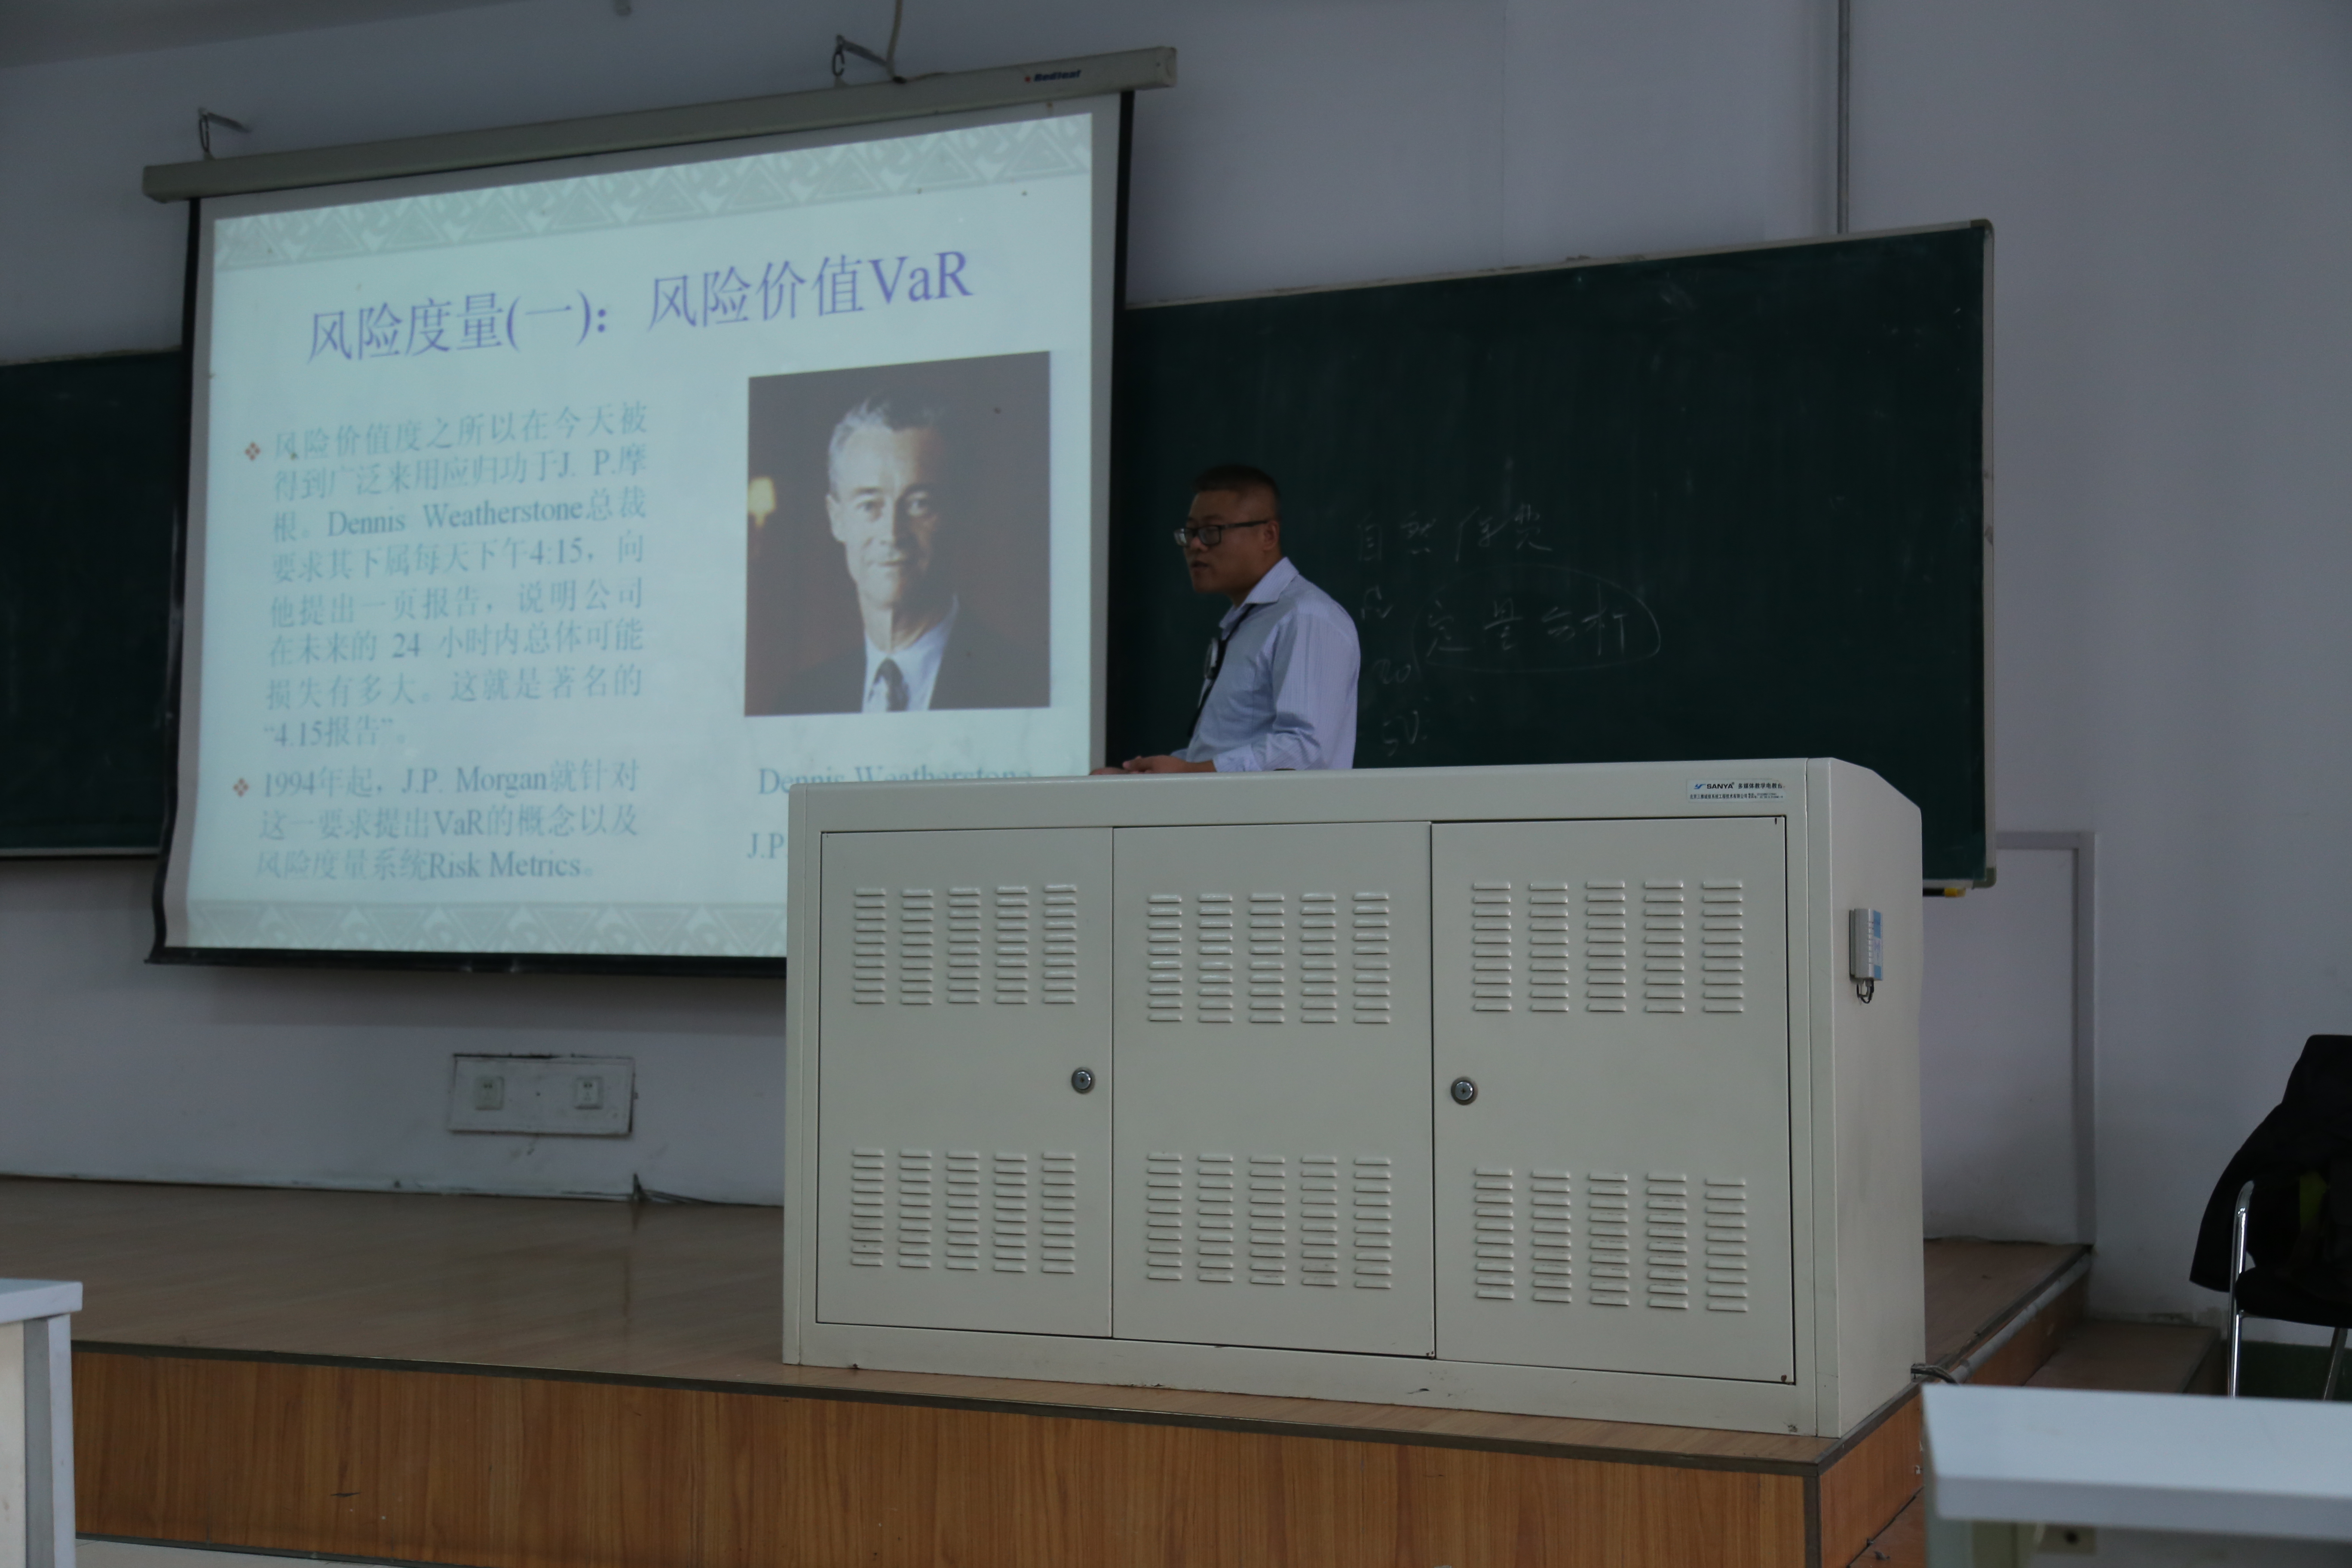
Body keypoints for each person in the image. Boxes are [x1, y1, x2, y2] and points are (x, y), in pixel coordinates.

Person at [768, 395, 1045, 714]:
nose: (892, 533)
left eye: (919, 504)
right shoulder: (800, 702)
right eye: (869, 506)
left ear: (958, 513)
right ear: (837, 519)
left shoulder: (1027, 687)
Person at [1102, 464, 1359, 773]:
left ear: (1268, 535)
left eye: (1212, 532)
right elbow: (1223, 752)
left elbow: (1306, 749)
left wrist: (1190, 773)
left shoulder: (1305, 617)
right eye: (1191, 533)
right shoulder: (1249, 620)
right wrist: (1138, 778)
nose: (1196, 545)